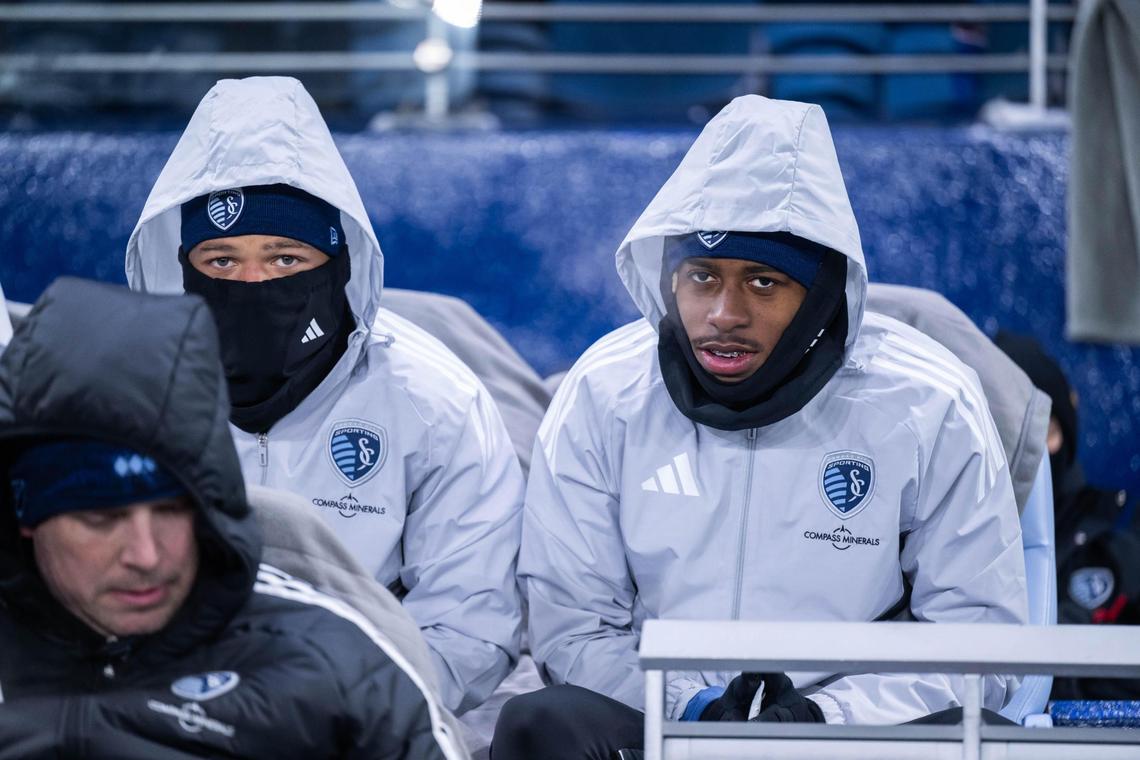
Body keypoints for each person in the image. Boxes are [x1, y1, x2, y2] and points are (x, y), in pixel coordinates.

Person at [494, 95, 1028, 758]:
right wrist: (692, 708)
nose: (724, 312)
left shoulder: (927, 401)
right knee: (541, 725)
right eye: (702, 276)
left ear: (822, 292)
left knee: (992, 742)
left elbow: (978, 642)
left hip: (855, 738)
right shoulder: (605, 392)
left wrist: (821, 718)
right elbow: (572, 626)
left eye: (764, 282)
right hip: (664, 728)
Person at [125, 76, 523, 714]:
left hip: (363, 710)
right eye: (221, 262)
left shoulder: (432, 400)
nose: (252, 283)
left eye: (285, 259)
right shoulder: (126, 396)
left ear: (339, 264)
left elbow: (471, 619)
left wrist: (353, 706)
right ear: (182, 269)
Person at [0, 277, 465, 760]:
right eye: (100, 518)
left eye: (172, 509)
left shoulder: (334, 664)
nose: (146, 554)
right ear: (25, 510)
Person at [995, 330, 1140, 700]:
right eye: (1001, 428)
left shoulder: (1117, 558)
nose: (1030, 448)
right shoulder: (942, 548)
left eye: (1042, 428)